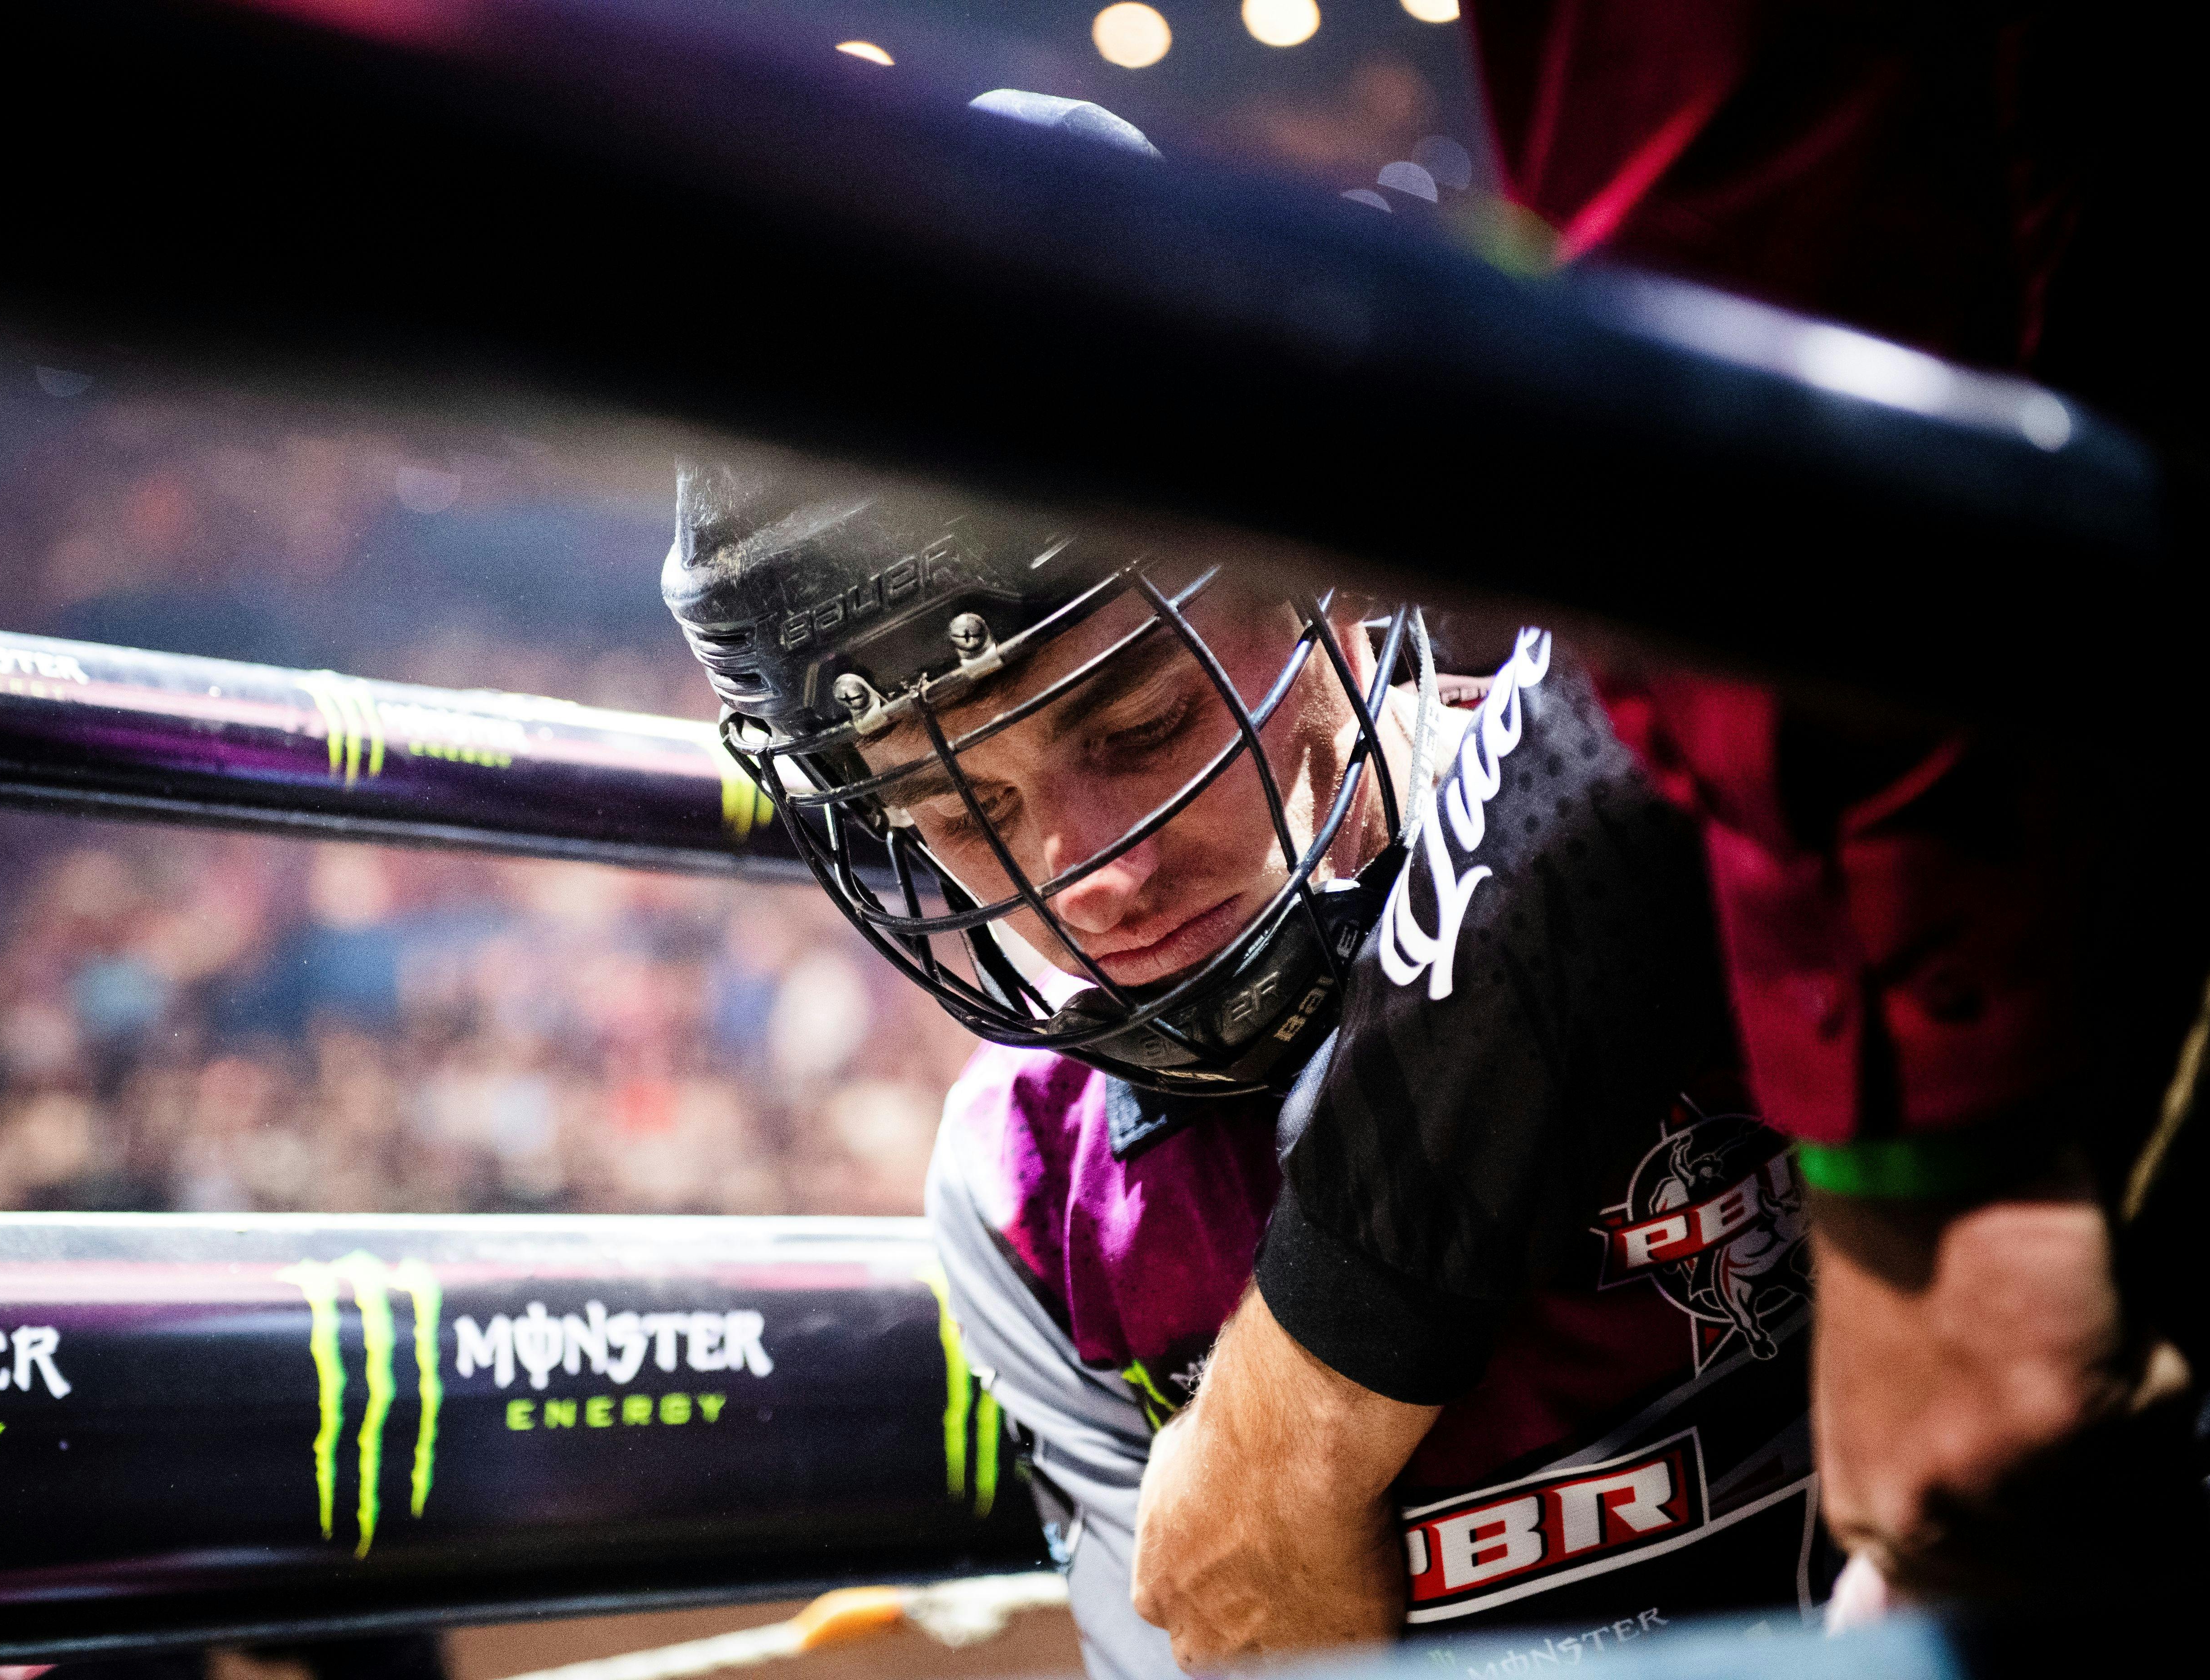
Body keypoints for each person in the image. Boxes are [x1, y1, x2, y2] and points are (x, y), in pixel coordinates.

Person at [1126, 5, 2210, 1653]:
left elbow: (1750, 445)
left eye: (1139, 727)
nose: (1111, 861)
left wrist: (1934, 1165)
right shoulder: (1018, 1183)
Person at [663, 459, 1834, 1678]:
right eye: (958, 812)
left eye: (1143, 728)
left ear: (1326, 588)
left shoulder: (1700, 822)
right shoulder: (1020, 1181)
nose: (1084, 878)